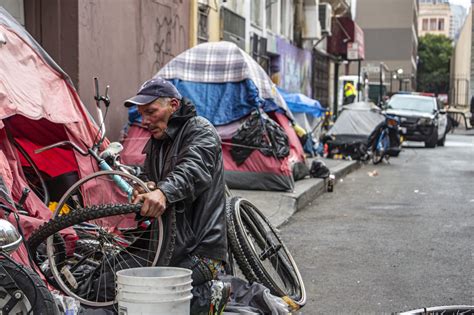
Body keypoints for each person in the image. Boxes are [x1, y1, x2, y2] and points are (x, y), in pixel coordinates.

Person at [124, 77, 230, 313]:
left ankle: (214, 293)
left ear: (173, 104)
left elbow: (192, 169)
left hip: (202, 250)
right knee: (109, 283)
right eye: (141, 114)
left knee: (152, 295)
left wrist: (164, 192)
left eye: (151, 111)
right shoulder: (156, 143)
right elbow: (151, 180)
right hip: (168, 246)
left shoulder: (200, 130)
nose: (145, 121)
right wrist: (145, 190)